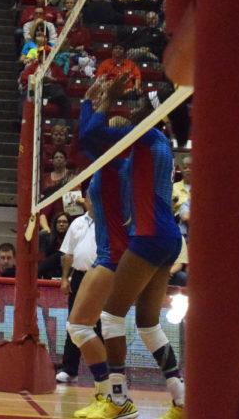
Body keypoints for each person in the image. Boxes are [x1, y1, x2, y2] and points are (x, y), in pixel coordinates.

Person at [70, 75, 185, 419]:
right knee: (148, 324)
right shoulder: (158, 143)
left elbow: (91, 136)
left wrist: (98, 102)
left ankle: (118, 400)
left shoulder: (141, 141)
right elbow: (95, 140)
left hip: (148, 236)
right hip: (168, 237)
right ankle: (181, 400)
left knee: (110, 317)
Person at [55, 204, 98, 384]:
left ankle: (108, 372)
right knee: (73, 323)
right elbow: (68, 254)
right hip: (79, 276)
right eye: (90, 196)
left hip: (101, 275)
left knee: (103, 325)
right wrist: (65, 278)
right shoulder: (77, 223)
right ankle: (70, 369)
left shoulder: (109, 221)